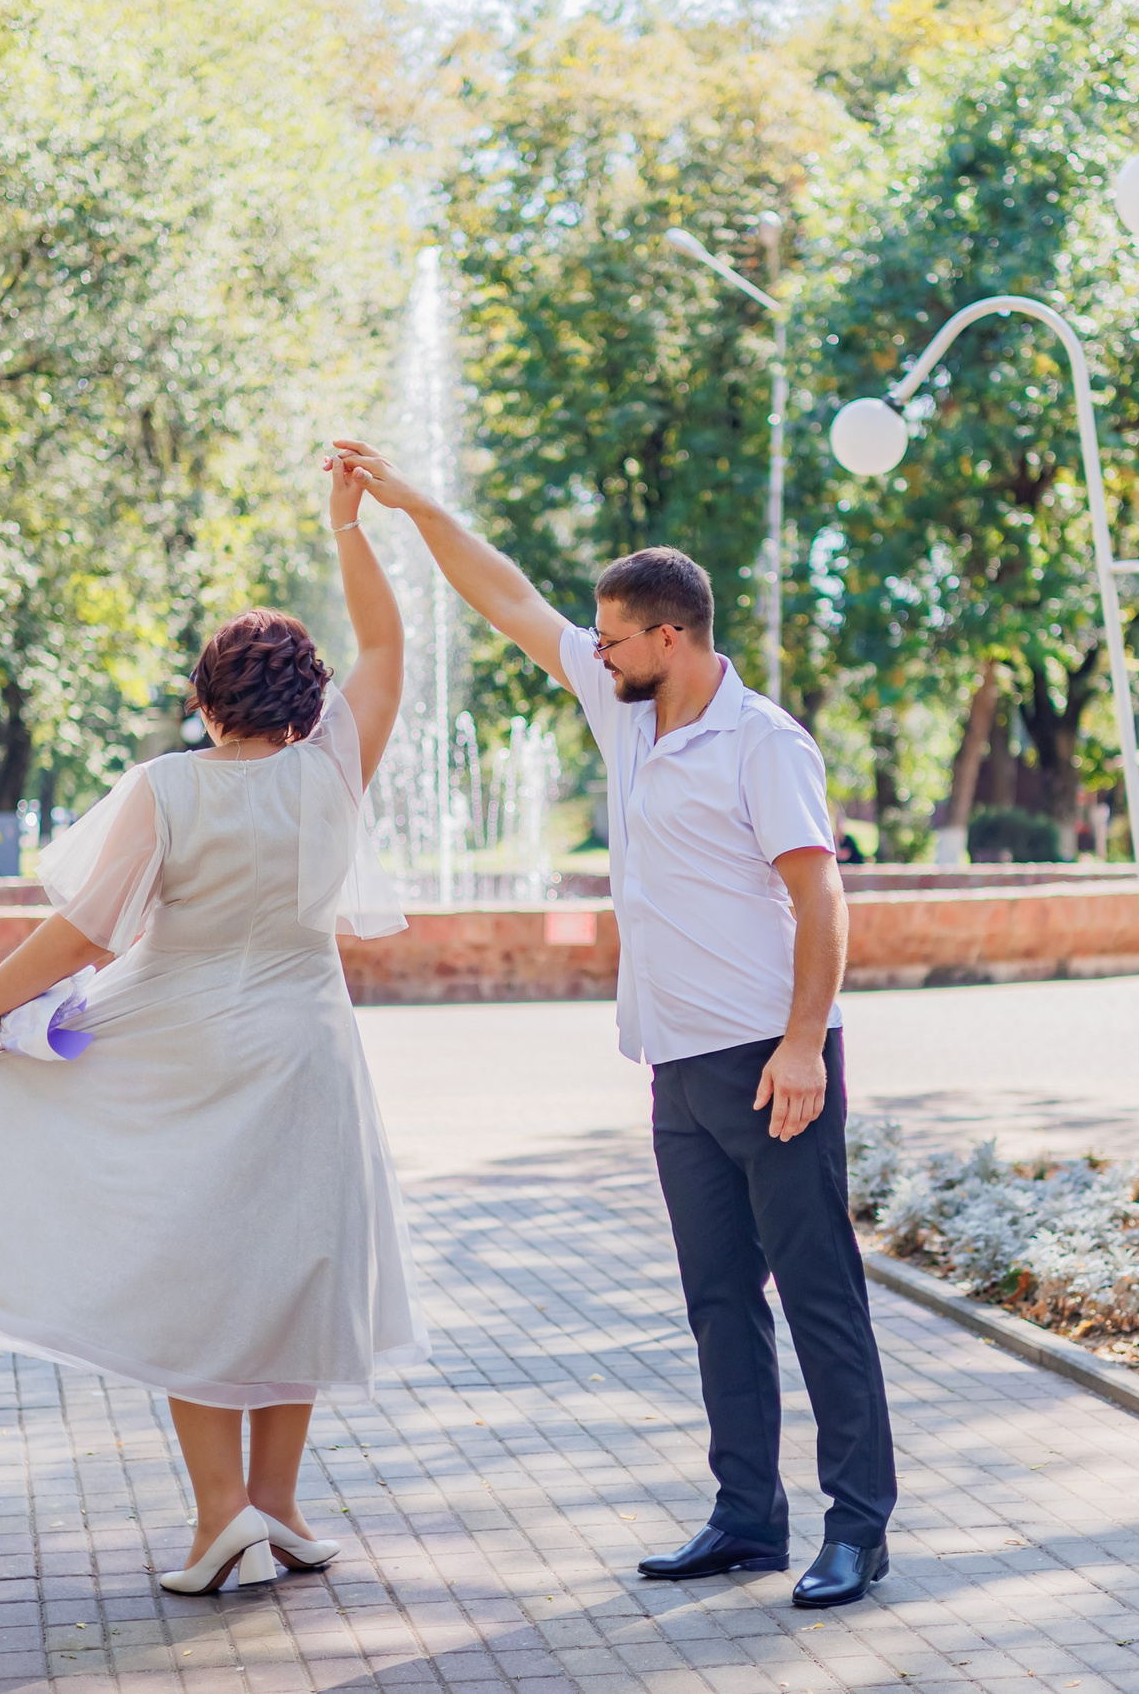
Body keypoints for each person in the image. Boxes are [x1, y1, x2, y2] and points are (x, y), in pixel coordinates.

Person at [0, 452, 425, 1596]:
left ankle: (221, 1520)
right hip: (309, 1045)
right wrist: (348, 526)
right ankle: (280, 1507)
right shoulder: (336, 767)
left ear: (204, 696)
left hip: (183, 1040)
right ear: (309, 700)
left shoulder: (167, 786)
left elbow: (89, 933)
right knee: (294, 1266)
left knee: (197, 1273)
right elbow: (388, 650)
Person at [328, 438, 896, 1610]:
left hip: (769, 1063)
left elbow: (820, 898)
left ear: (671, 638)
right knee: (717, 1305)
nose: (593, 650)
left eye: (615, 637)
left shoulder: (761, 742)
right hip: (677, 1071)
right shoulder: (624, 709)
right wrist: (414, 505)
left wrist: (803, 1046)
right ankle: (747, 1517)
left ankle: (858, 1528)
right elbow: (509, 598)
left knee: (821, 1297)